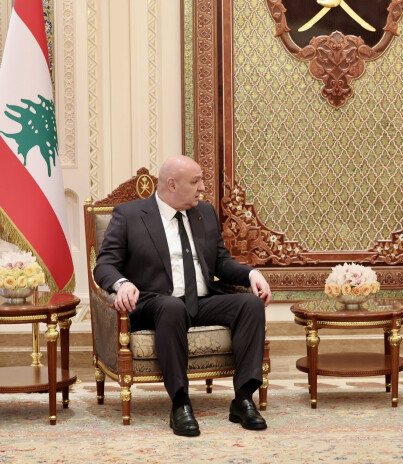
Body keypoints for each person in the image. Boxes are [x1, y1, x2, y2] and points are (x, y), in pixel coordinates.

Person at [94, 155, 272, 437]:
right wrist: (122, 283)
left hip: (202, 300)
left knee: (249, 303)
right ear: (172, 184)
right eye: (195, 181)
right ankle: (180, 403)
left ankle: (243, 399)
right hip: (155, 304)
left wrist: (251, 274)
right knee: (171, 307)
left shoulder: (205, 213)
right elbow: (104, 265)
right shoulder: (129, 215)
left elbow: (221, 262)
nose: (203, 187)